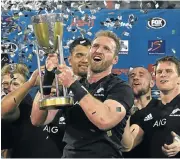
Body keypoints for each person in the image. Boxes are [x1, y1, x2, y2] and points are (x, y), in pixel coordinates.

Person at [31, 30, 134, 158]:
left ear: (115, 59)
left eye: (106, 48)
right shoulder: (71, 86)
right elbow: (37, 119)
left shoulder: (120, 88)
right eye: (95, 46)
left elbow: (104, 120)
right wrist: (48, 77)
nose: (99, 51)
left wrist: (74, 85)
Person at [31, 37, 91, 155]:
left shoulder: (105, 85)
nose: (85, 60)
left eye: (88, 56)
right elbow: (37, 120)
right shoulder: (60, 84)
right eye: (79, 55)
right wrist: (49, 76)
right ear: (69, 59)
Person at [121, 56, 180, 158]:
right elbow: (127, 146)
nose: (163, 74)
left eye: (169, 71)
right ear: (155, 79)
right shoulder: (146, 112)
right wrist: (124, 110)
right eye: (159, 72)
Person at [1, 63, 61, 158]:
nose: (10, 88)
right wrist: (31, 82)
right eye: (5, 84)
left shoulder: (28, 105)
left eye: (15, 84)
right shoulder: (10, 107)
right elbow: (4, 109)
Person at [122, 67, 159, 157]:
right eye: (132, 76)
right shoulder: (121, 109)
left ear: (152, 83)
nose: (135, 78)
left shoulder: (161, 107)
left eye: (141, 75)